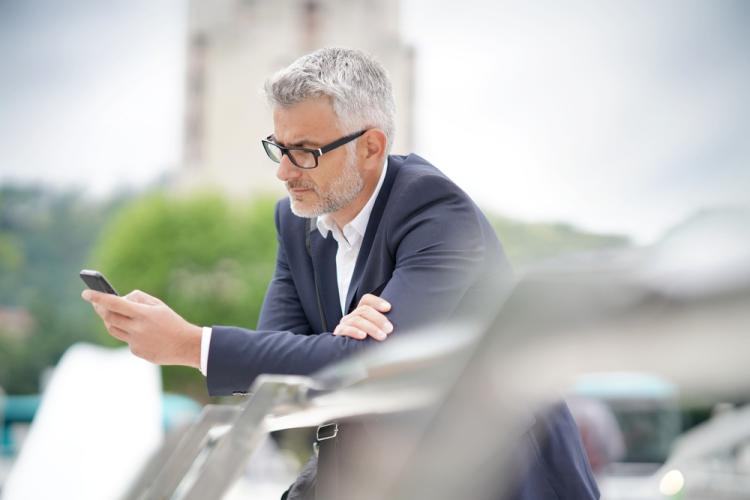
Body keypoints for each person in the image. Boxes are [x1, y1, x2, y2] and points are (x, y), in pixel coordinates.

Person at [82, 48, 598, 499]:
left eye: (305, 152)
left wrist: (192, 345)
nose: (283, 171)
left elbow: (381, 362)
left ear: (371, 147)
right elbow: (279, 358)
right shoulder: (296, 218)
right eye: (278, 147)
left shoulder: (437, 211)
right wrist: (340, 343)